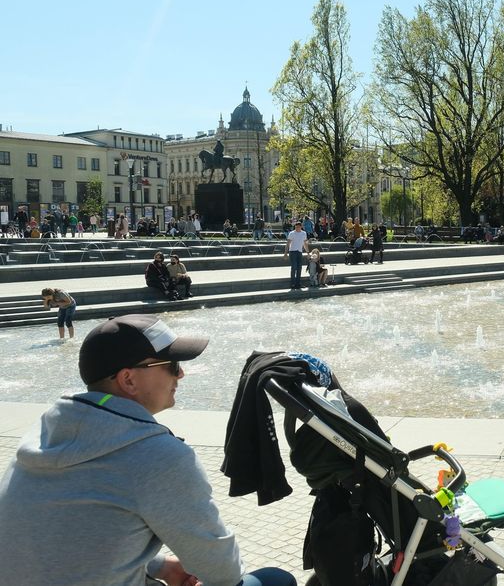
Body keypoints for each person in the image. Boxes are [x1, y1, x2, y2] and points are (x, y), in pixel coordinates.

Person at [0, 314, 297, 586]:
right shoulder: (157, 456)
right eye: (172, 365)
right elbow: (222, 572)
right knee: (276, 580)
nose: (181, 374)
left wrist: (159, 566)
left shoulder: (45, 433)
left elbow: (63, 533)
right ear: (128, 379)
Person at [284, 221, 310, 290]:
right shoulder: (291, 233)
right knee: (294, 267)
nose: (297, 228)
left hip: (299, 252)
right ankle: (293, 283)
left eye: (298, 227)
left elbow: (305, 244)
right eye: (296, 227)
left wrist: (308, 253)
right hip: (292, 252)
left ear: (301, 227)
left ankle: (298, 283)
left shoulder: (304, 233)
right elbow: (288, 243)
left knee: (299, 268)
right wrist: (286, 253)